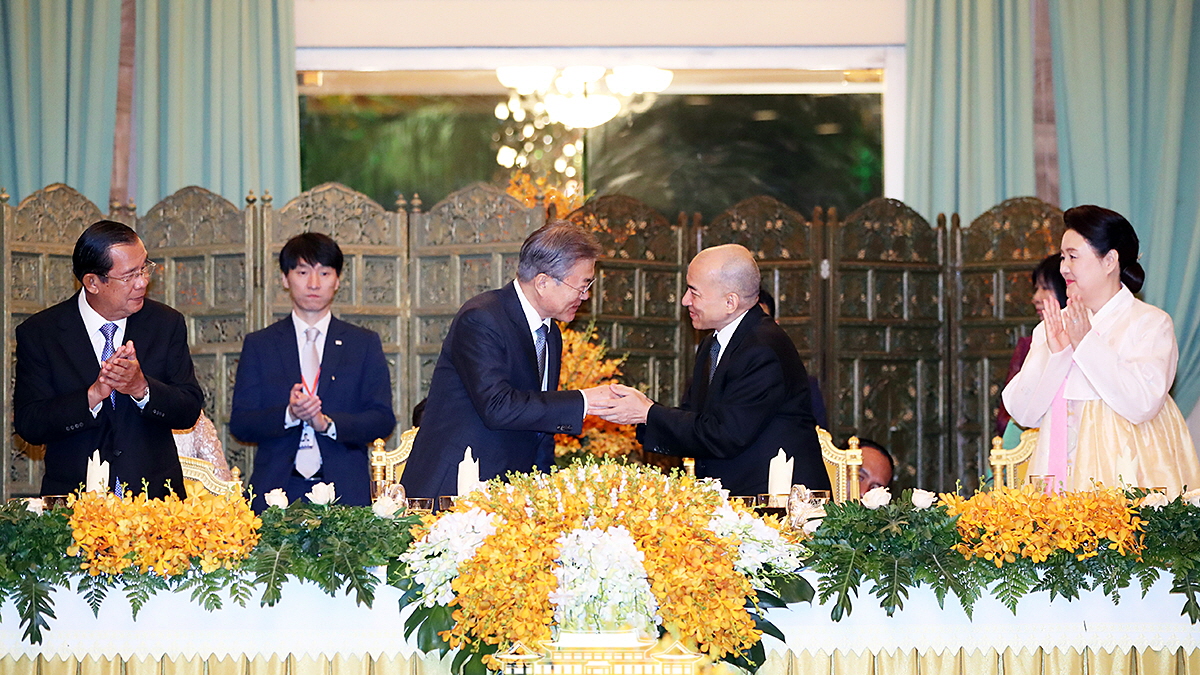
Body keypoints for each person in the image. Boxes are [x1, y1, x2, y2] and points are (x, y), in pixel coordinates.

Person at [401, 221, 615, 501]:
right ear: (543, 282)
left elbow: (540, 427)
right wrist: (584, 401)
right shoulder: (482, 318)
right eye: (582, 285)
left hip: (509, 492)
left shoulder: (550, 331)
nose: (585, 296)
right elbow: (497, 406)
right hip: (455, 488)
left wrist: (543, 492)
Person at [598, 244, 829, 496]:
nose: (685, 300)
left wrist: (648, 413)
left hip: (777, 503)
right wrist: (642, 409)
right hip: (738, 496)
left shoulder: (762, 348)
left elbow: (725, 434)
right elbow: (697, 417)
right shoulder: (715, 341)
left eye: (693, 292)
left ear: (730, 302)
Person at [1002, 205, 1200, 495]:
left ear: (1109, 261)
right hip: (1057, 488)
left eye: (1073, 256)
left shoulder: (1150, 323)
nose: (1063, 267)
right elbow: (1023, 414)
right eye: (1062, 257)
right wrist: (1056, 355)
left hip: (1131, 484)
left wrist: (1086, 344)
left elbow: (1143, 404)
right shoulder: (1052, 326)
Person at [13, 220, 203, 498]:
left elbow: (189, 410)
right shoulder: (41, 332)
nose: (143, 282)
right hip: (75, 505)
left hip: (156, 508)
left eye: (144, 268)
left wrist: (141, 388)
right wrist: (92, 395)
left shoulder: (165, 323)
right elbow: (30, 425)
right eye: (129, 275)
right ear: (92, 282)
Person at [230, 233, 396, 510]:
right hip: (277, 492)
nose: (314, 283)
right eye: (303, 272)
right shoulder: (260, 344)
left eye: (325, 272)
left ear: (338, 280)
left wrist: (326, 424)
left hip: (344, 491)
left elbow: (382, 420)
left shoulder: (363, 343)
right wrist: (290, 414)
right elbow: (241, 424)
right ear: (285, 279)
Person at [995, 255, 1068, 437]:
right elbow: (1006, 416)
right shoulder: (1031, 343)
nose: (1036, 298)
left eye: (1046, 288)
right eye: (1037, 289)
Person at [758, 287, 828, 429]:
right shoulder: (715, 380)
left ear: (774, 326)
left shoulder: (805, 387)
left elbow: (820, 441)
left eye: (759, 322)